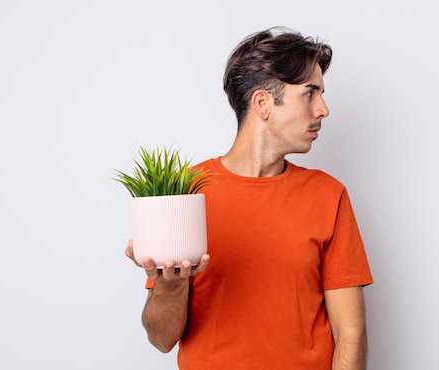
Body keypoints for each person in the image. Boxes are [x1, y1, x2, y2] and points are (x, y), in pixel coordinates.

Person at [125, 26, 373, 369]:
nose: (323, 110)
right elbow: (162, 339)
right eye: (310, 93)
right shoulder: (186, 191)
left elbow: (352, 333)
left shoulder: (328, 195)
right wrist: (170, 287)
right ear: (263, 103)